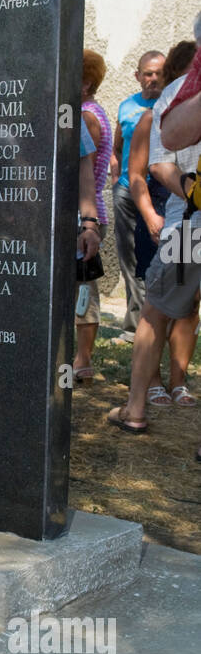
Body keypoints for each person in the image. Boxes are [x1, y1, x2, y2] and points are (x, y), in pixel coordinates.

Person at [108, 31, 201, 436]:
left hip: (189, 226)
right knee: (160, 309)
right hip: (187, 226)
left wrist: (193, 195)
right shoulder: (161, 101)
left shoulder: (178, 94)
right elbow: (145, 169)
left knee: (156, 312)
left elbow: (163, 166)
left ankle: (135, 409)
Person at [109, 50, 166, 340]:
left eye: (158, 73)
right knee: (129, 256)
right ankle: (135, 323)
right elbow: (118, 144)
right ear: (138, 76)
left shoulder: (171, 105)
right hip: (126, 190)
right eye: (148, 73)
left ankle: (162, 321)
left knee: (161, 257)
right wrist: (117, 164)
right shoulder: (126, 106)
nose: (153, 78)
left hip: (162, 192)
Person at [73, 50, 113, 382]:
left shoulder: (84, 117)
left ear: (86, 82)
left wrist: (88, 220)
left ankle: (83, 359)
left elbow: (84, 167)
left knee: (83, 287)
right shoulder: (95, 111)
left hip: (84, 214)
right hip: (90, 211)